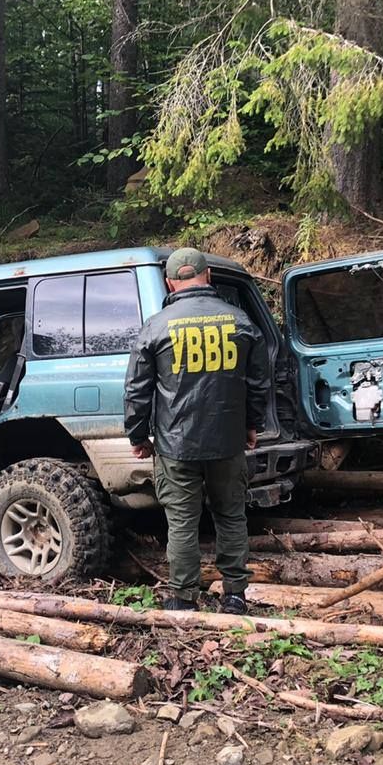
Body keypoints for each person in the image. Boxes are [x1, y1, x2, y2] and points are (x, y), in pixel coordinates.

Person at [124, 248, 270, 613]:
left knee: (182, 522)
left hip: (176, 445)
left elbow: (137, 389)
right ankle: (235, 595)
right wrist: (253, 425)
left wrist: (138, 437)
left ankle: (183, 598)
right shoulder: (240, 321)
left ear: (170, 283)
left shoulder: (156, 327)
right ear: (208, 278)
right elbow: (257, 382)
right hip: (227, 441)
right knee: (231, 515)